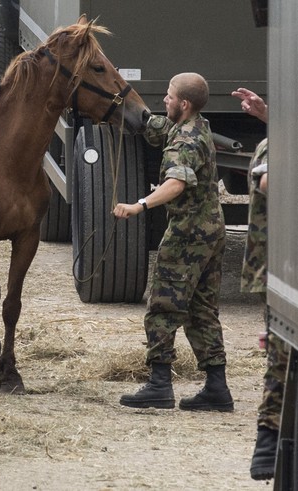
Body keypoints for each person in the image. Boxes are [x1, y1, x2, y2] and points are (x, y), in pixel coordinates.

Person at [113, 72, 233, 411]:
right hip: (212, 230)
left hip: (188, 235)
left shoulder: (184, 143)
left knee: (163, 306)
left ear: (184, 103)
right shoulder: (196, 126)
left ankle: (159, 384)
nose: (164, 99)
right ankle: (217, 389)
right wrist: (125, 108)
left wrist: (140, 205)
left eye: (168, 96)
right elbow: (158, 128)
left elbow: (176, 183)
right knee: (202, 310)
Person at [233, 87, 284, 481]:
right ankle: (267, 439)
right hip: (285, 270)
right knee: (283, 359)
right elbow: (268, 185)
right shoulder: (274, 146)